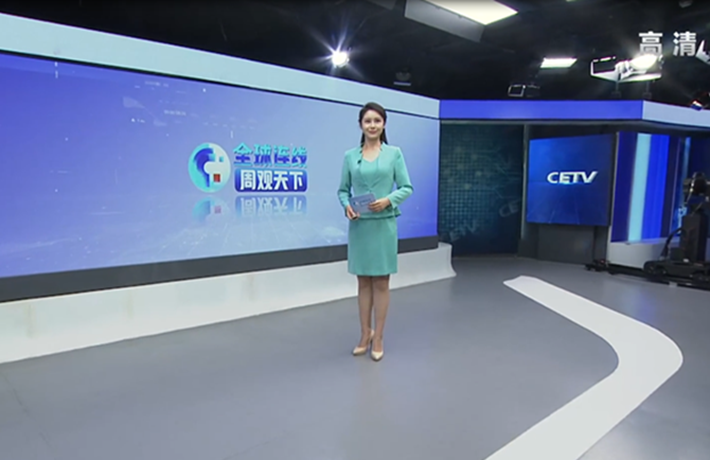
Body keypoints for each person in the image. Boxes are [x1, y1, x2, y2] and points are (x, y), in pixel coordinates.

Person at [336, 102, 413, 362]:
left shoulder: (394, 154)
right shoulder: (350, 156)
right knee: (362, 281)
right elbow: (343, 190)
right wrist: (347, 206)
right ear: (361, 125)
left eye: (377, 121)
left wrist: (388, 200)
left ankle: (378, 336)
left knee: (381, 281)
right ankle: (364, 333)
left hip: (383, 224)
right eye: (368, 121)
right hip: (360, 226)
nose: (372, 125)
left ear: (384, 124)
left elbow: (406, 187)